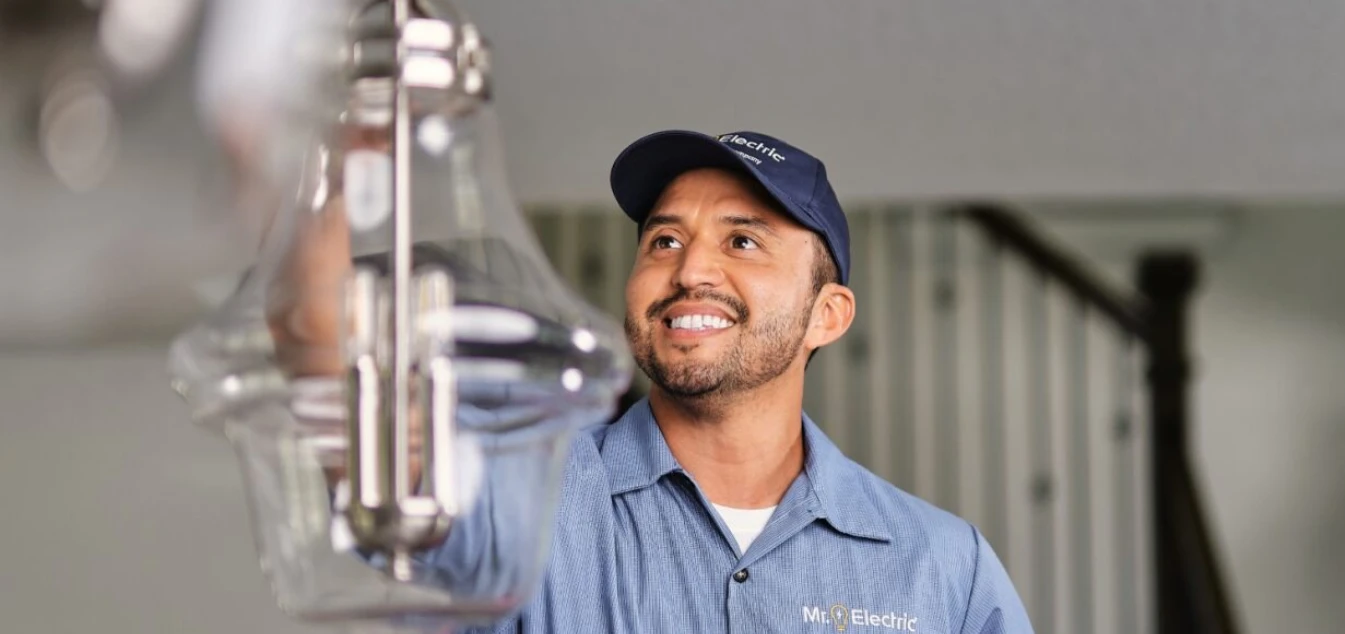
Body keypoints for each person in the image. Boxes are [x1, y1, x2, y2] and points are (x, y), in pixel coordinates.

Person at [277, 130, 1033, 632]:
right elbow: (336, 384)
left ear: (827, 316)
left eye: (743, 240)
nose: (691, 269)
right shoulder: (518, 488)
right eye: (664, 239)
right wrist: (329, 160)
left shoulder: (941, 566)